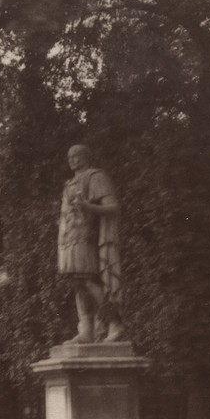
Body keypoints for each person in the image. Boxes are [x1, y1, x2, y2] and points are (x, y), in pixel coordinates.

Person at [57, 144, 123, 343]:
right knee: (77, 283)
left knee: (88, 281)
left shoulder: (95, 177)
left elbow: (113, 207)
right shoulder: (69, 184)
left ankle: (114, 322)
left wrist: (88, 206)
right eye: (70, 156)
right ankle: (86, 330)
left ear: (86, 156)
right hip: (67, 240)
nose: (72, 160)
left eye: (76, 156)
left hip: (87, 238)